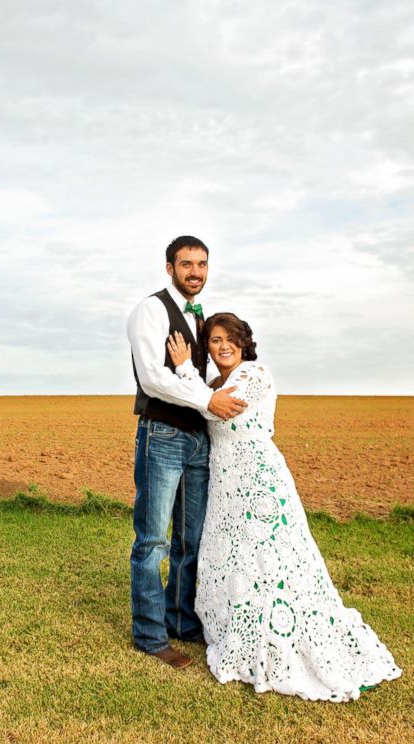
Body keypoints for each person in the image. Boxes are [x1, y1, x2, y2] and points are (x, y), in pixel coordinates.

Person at [167, 313, 402, 701]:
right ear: (206, 347)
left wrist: (182, 369)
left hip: (260, 479)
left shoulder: (255, 375)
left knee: (272, 557)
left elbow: (218, 410)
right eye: (213, 340)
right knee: (237, 556)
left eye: (230, 338)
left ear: (244, 341)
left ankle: (282, 637)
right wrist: (191, 382)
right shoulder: (212, 383)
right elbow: (206, 401)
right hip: (226, 483)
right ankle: (239, 630)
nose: (223, 346)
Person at [126, 237, 247, 669]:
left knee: (190, 540)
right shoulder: (151, 311)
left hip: (199, 439)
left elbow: (200, 374)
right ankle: (150, 635)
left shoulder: (201, 319)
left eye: (202, 264)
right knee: (154, 541)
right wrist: (207, 401)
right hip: (162, 435)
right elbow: (153, 378)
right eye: (186, 264)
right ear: (169, 267)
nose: (195, 272)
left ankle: (181, 620)